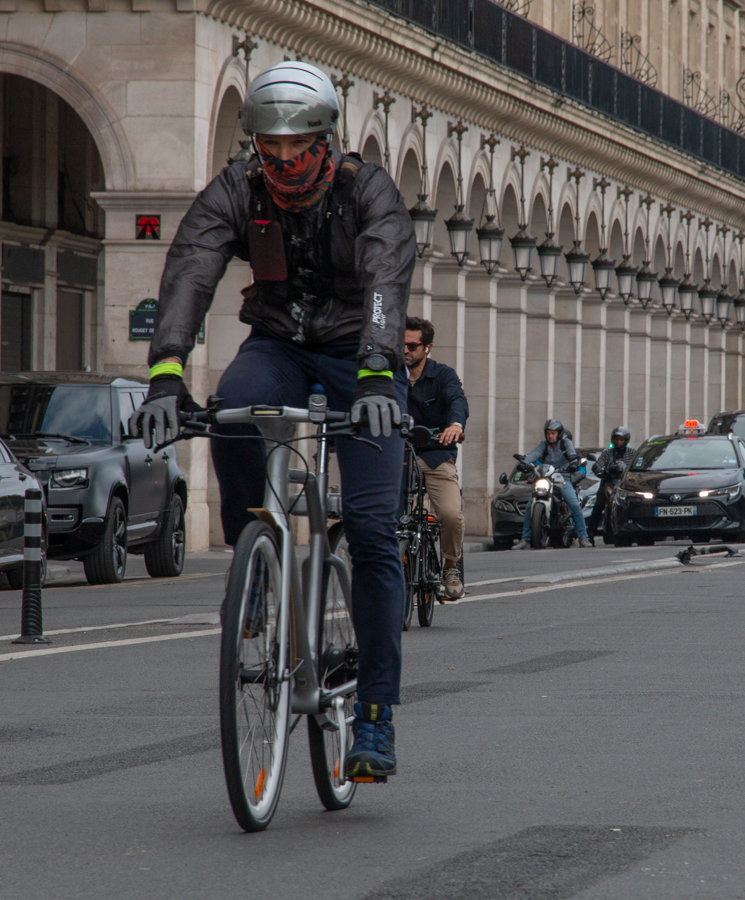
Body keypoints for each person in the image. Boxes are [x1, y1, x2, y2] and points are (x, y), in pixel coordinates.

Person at [130, 62, 411, 782]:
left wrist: (380, 368)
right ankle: (259, 551)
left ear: (325, 140)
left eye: (298, 147)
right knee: (231, 409)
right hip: (279, 345)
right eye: (269, 148)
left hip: (361, 357)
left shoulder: (368, 190)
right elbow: (191, 267)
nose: (283, 162)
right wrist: (165, 373)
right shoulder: (237, 189)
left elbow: (385, 280)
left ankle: (375, 715)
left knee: (376, 531)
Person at [403, 316, 468, 599]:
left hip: (436, 456)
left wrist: (455, 425)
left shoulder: (443, 375)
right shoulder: (389, 374)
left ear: (427, 348)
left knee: (451, 515)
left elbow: (457, 401)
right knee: (394, 516)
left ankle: (451, 566)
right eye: (401, 344)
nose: (405, 350)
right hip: (401, 458)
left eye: (412, 346)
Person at [518, 419, 590, 548]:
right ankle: (525, 539)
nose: (550, 436)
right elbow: (535, 454)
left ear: (559, 433)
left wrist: (573, 462)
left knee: (574, 504)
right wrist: (525, 463)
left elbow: (571, 453)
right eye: (548, 433)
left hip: (562, 478)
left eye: (553, 433)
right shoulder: (543, 445)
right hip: (546, 478)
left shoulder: (565, 443)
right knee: (530, 506)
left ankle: (583, 537)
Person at [585, 426, 634, 541]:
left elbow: (636, 464)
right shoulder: (607, 453)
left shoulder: (632, 453)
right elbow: (598, 464)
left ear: (626, 441)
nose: (618, 442)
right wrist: (600, 470)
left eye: (621, 440)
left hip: (624, 484)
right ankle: (591, 532)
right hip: (609, 481)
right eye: (616, 439)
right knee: (598, 504)